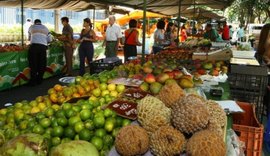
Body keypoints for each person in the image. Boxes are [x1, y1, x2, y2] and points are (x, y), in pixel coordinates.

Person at [28, 19, 52, 86]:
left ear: (35, 23)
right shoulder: (46, 28)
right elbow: (50, 40)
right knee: (42, 63)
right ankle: (40, 79)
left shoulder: (31, 27)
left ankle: (33, 81)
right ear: (40, 23)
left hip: (34, 47)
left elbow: (29, 38)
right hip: (42, 48)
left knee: (33, 64)